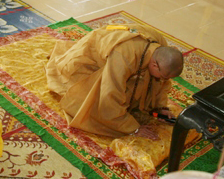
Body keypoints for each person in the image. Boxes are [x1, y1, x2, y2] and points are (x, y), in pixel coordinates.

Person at [45, 24, 184, 137]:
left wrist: (160, 107)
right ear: (154, 65)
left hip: (122, 57)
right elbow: (109, 95)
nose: (164, 80)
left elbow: (160, 84)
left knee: (140, 83)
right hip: (92, 57)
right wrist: (132, 128)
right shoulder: (123, 56)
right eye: (164, 76)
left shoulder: (161, 47)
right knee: (89, 106)